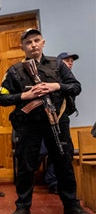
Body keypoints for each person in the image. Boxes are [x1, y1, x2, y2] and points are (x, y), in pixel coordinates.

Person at [0, 28, 92, 214]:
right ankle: (23, 206)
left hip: (57, 122)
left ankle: (71, 205)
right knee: (26, 166)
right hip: (28, 125)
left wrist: (56, 86)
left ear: (43, 42)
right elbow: (2, 98)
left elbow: (76, 87)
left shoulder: (58, 65)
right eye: (28, 42)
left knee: (64, 164)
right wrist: (26, 95)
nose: (33, 45)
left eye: (36, 40)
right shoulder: (15, 70)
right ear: (22, 46)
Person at [38, 52, 79, 195]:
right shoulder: (51, 77)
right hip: (45, 121)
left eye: (71, 62)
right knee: (50, 151)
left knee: (63, 152)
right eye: (67, 61)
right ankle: (52, 182)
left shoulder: (68, 81)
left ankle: (56, 183)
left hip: (61, 120)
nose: (70, 63)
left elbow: (76, 89)